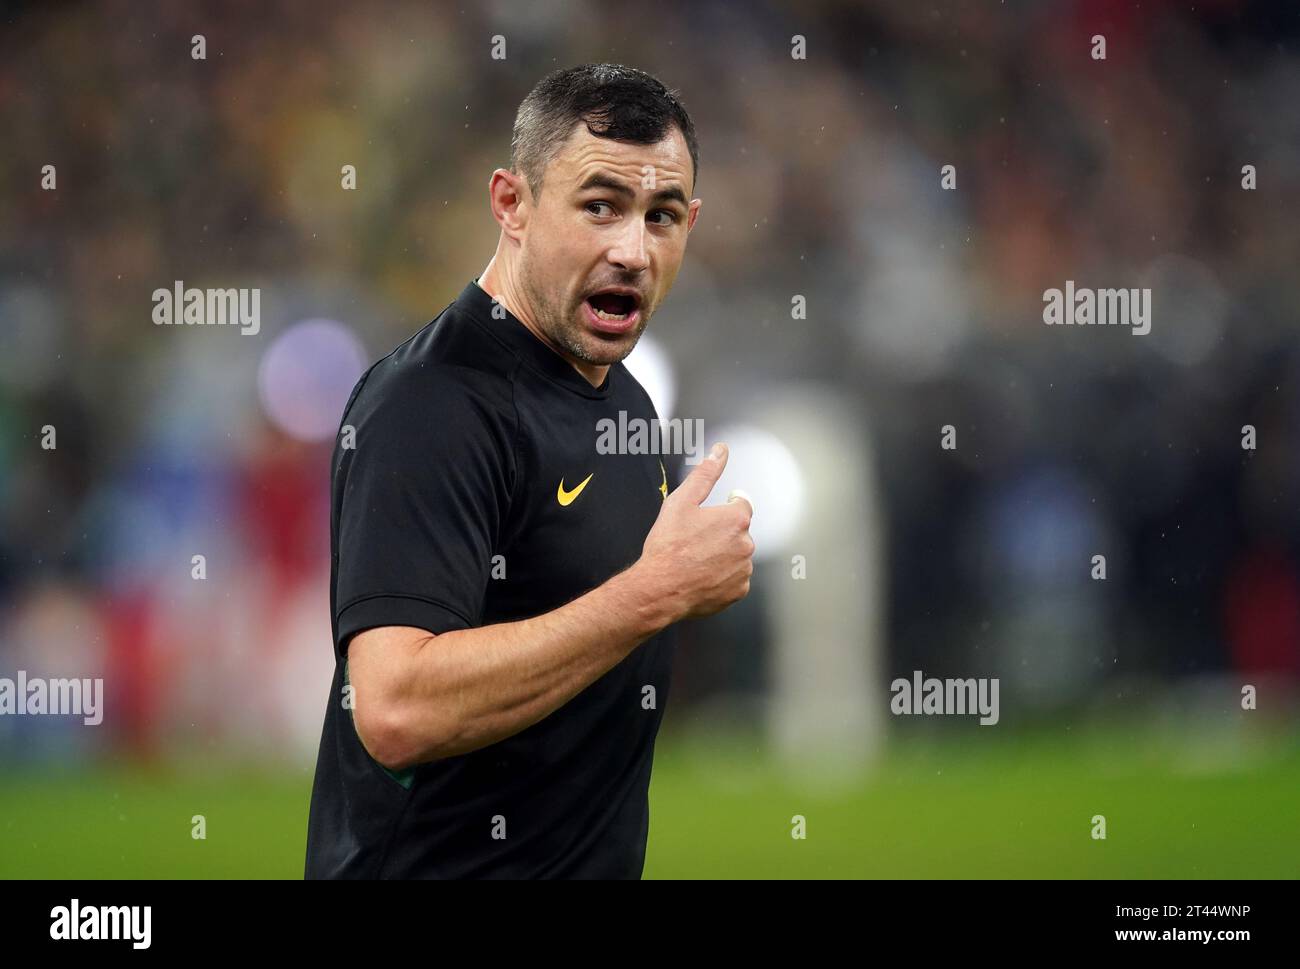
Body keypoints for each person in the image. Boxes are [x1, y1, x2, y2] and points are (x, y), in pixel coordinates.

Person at [305, 63, 755, 879]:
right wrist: (655, 593)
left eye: (661, 217)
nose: (633, 250)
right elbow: (395, 708)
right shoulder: (429, 405)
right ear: (512, 204)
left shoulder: (629, 406)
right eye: (599, 207)